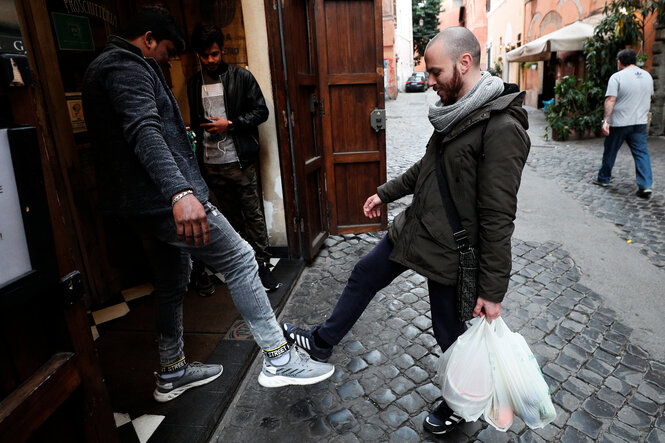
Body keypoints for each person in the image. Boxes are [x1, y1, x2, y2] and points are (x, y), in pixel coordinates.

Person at [282, 27, 530, 436]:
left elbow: (499, 218)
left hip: (449, 249)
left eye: (435, 72)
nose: (429, 82)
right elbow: (426, 168)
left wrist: (492, 291)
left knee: (447, 330)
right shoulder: (457, 110)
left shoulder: (501, 128)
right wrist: (385, 193)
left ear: (463, 63)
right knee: (364, 274)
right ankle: (321, 342)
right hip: (414, 229)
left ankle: (462, 402)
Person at [82, 6, 333, 403]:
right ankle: (278, 358)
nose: (167, 61)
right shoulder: (126, 67)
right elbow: (144, 131)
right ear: (148, 39)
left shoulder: (107, 67)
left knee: (171, 279)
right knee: (239, 258)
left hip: (144, 203)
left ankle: (172, 370)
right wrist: (179, 193)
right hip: (162, 199)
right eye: (165, 51)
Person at [187, 24, 280, 293]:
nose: (211, 60)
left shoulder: (241, 77)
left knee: (253, 215)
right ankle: (240, 265)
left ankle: (262, 265)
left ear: (222, 49)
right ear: (198, 55)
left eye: (214, 54)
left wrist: (231, 124)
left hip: (240, 160)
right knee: (228, 220)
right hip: (211, 165)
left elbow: (261, 112)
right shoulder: (194, 84)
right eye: (205, 56)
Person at [594, 48, 654, 199]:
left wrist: (605, 120)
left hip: (620, 122)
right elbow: (650, 97)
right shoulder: (647, 76)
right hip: (639, 122)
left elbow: (610, 100)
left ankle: (604, 178)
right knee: (641, 153)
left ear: (619, 62)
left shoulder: (617, 77)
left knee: (610, 150)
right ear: (634, 61)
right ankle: (645, 185)